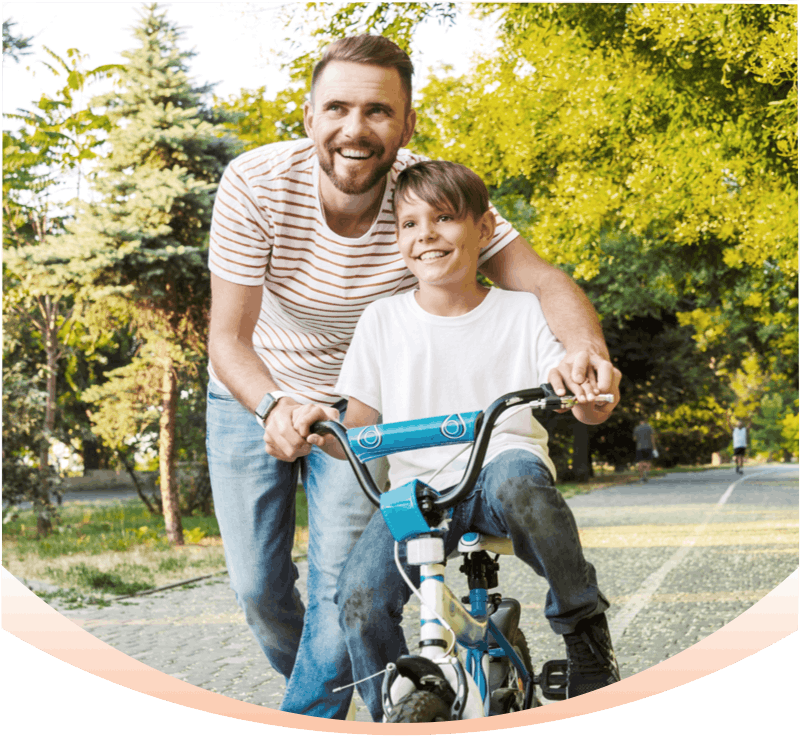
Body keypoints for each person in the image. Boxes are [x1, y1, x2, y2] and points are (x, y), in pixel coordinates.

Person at [206, 35, 620, 719]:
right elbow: (228, 336)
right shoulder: (256, 184)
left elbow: (541, 281)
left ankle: (332, 712)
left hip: (366, 408)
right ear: (308, 116)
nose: (355, 128)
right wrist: (275, 404)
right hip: (261, 388)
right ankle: (332, 676)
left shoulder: (427, 192)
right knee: (260, 591)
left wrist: (586, 360)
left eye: (378, 111)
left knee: (346, 592)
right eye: (337, 108)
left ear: (407, 124)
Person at [294, 160, 622, 720]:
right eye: (409, 223)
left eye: (444, 218)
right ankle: (393, 708)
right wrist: (321, 428)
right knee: (359, 600)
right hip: (418, 491)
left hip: (500, 469)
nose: (425, 234)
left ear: (485, 230)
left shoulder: (522, 313)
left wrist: (589, 396)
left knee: (520, 481)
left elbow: (580, 400)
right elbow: (362, 428)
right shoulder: (382, 320)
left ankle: (582, 628)